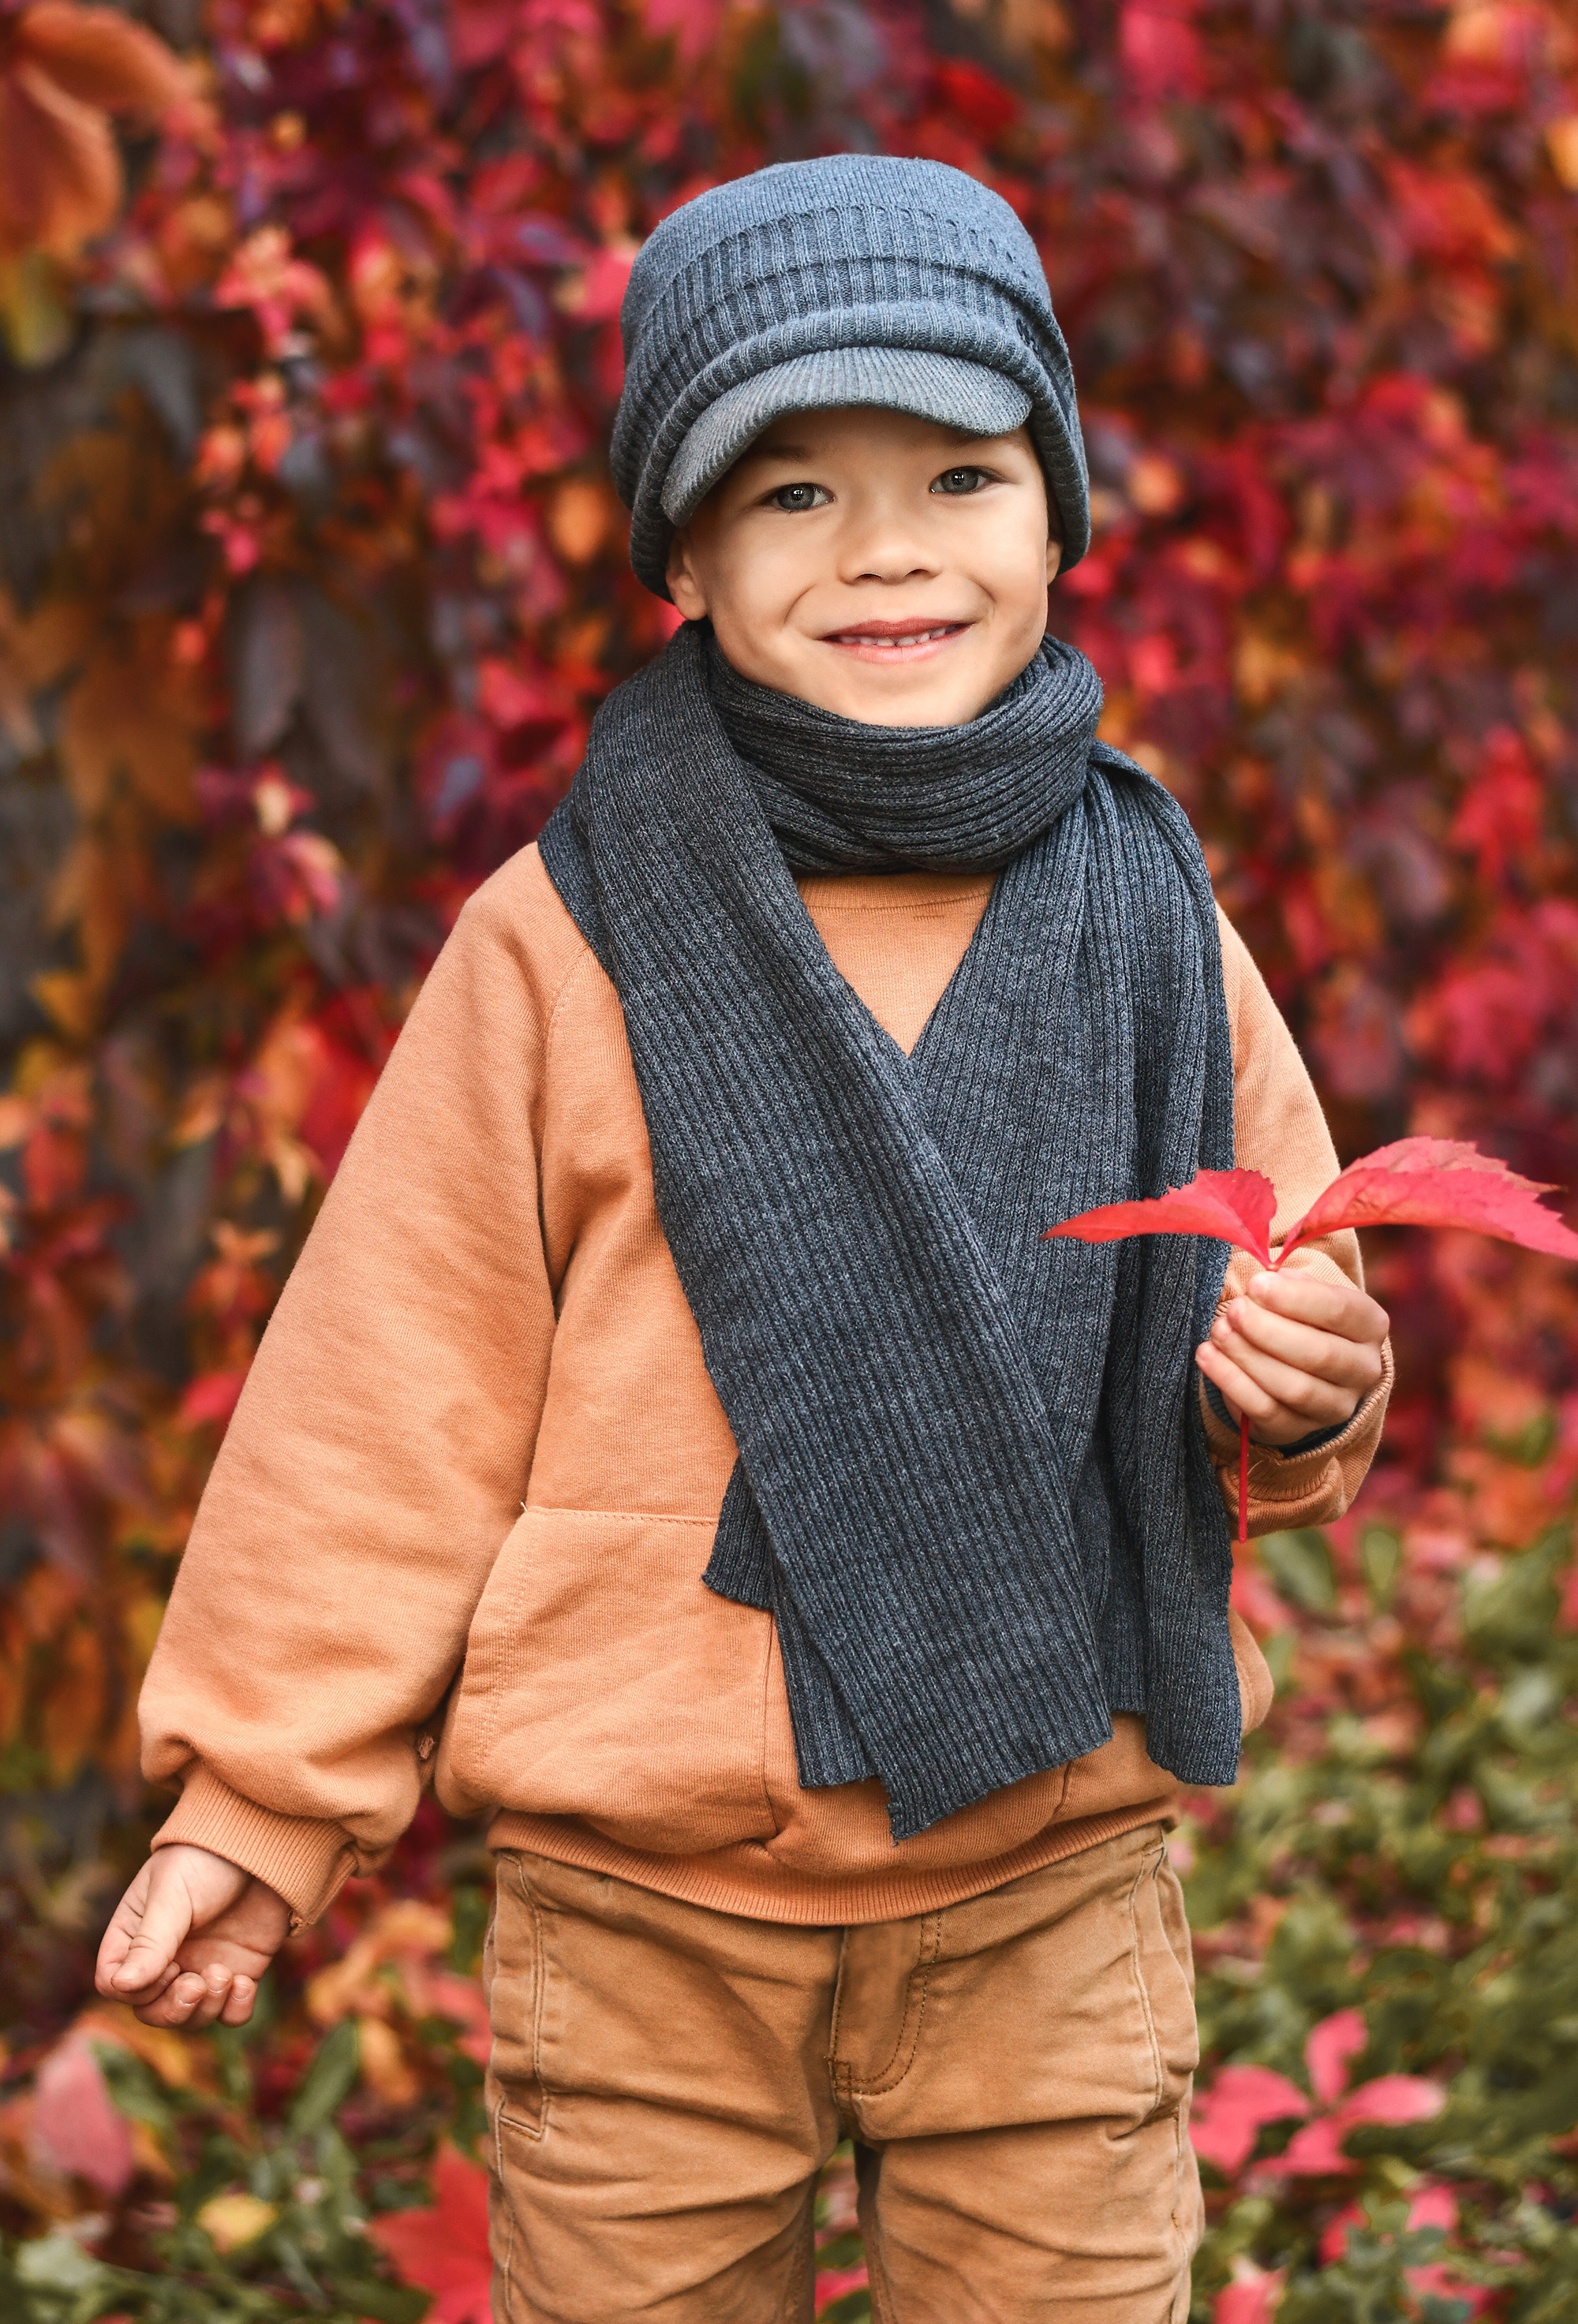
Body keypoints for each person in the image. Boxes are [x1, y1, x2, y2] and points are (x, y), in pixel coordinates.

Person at [96, 155, 1391, 2321]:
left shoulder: (1149, 914)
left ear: (1058, 516)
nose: (889, 547)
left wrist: (1317, 1388)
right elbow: (387, 1390)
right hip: (646, 1913)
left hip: (1053, 1889)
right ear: (679, 552)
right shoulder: (566, 942)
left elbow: (1283, 1271)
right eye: (791, 493)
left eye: (963, 472)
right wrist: (259, 1796)